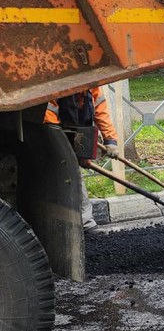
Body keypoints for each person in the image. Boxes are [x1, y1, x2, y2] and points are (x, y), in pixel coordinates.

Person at [45, 87, 119, 231]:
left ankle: (85, 223)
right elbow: (49, 118)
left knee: (76, 176)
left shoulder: (93, 85)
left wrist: (110, 140)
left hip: (76, 131)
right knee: (68, 175)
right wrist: (68, 150)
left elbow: (100, 111)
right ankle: (79, 224)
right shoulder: (56, 84)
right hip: (54, 135)